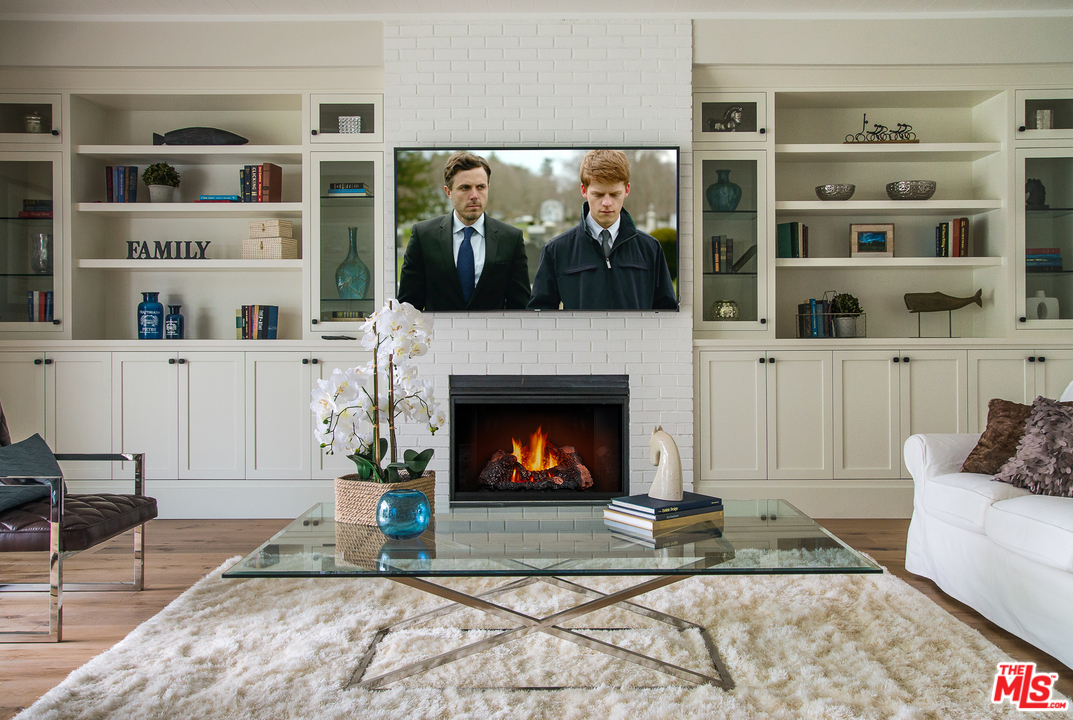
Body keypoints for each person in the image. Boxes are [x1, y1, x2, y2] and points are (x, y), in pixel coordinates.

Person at [527, 149, 678, 311]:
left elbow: (667, 312)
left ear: (627, 190)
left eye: (614, 194)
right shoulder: (556, 250)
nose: (607, 202)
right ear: (584, 190)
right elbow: (540, 316)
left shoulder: (650, 248)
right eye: (598, 195)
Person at [397, 151, 531, 311]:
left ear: (488, 188)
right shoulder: (423, 235)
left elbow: (520, 306)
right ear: (449, 192)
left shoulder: (511, 237)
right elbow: (409, 305)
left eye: (480, 187)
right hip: (439, 334)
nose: (474, 195)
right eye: (465, 188)